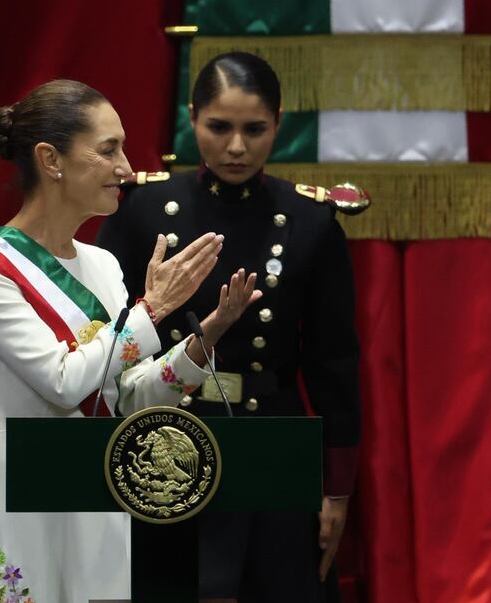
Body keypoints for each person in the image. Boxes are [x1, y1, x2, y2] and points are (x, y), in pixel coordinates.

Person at [0, 79, 261, 603]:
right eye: (108, 150)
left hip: (92, 487)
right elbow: (64, 384)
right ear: (50, 159)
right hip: (16, 487)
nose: (127, 168)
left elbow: (128, 399)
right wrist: (151, 311)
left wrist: (207, 335)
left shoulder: (104, 265)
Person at [96, 51, 362, 602]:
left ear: (279, 125)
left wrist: (336, 491)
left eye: (254, 129)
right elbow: (109, 347)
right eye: (219, 127)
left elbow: (335, 365)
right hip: (162, 440)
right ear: (192, 118)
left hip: (272, 437)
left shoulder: (311, 221)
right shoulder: (143, 211)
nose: (236, 147)